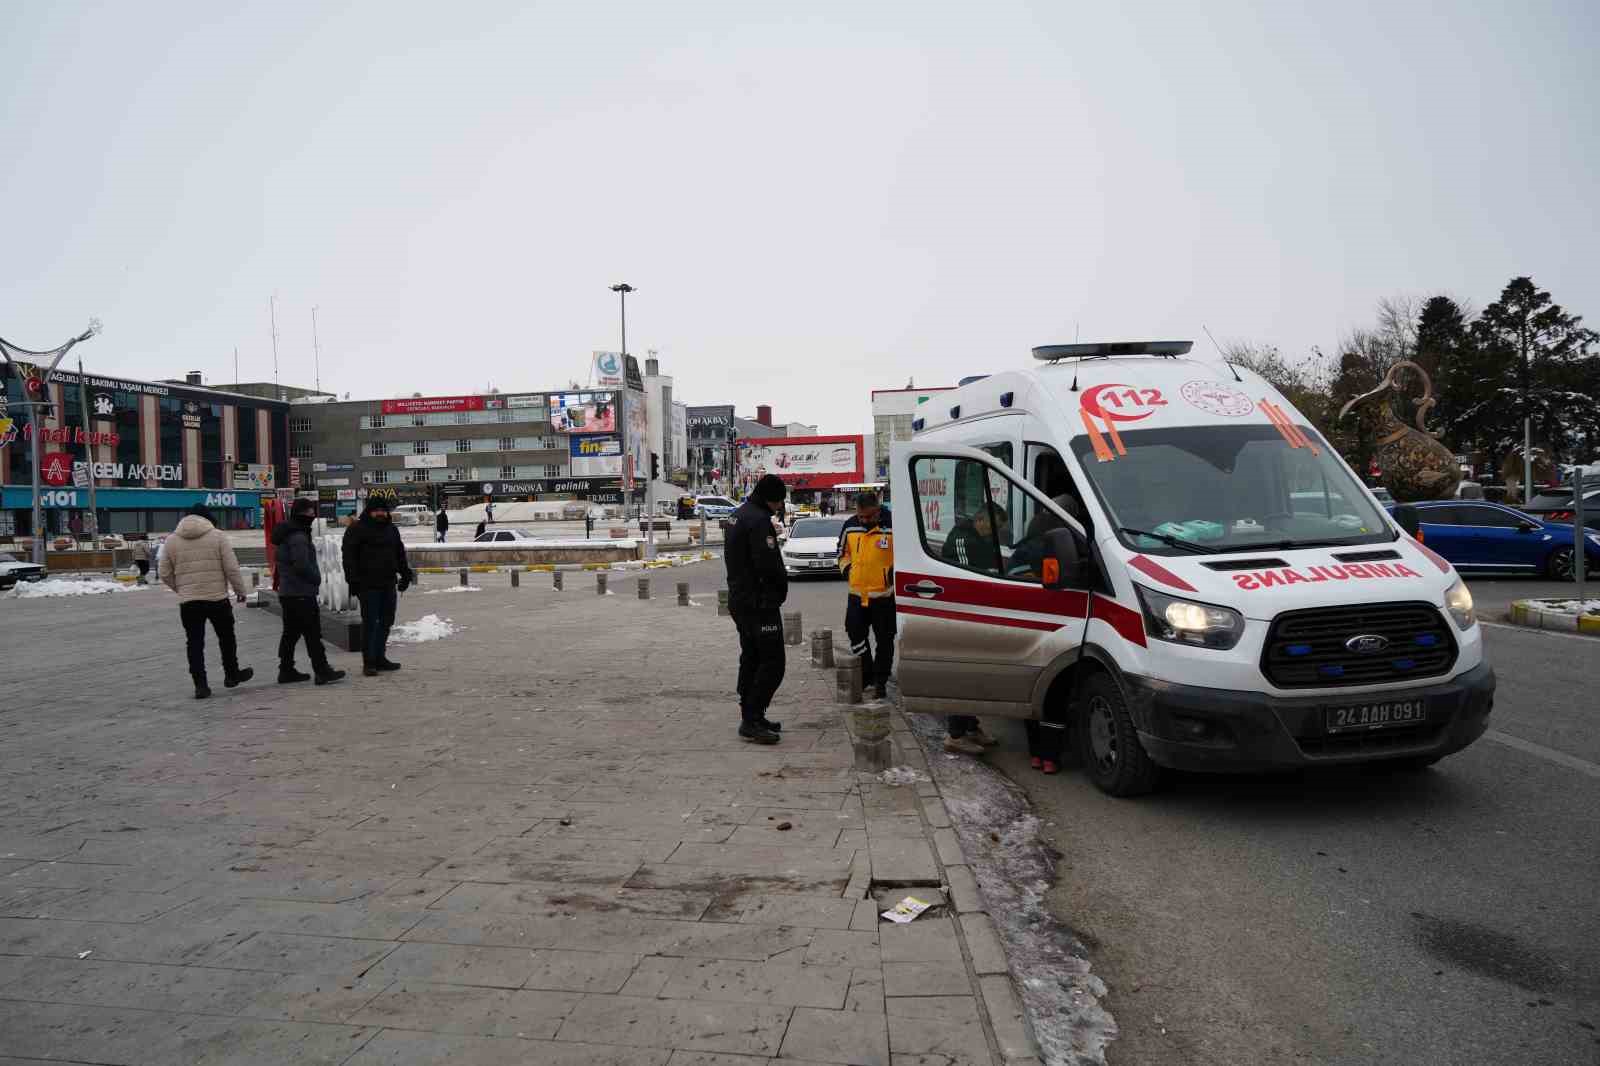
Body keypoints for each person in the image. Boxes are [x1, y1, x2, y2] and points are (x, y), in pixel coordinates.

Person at [158, 505, 254, 699]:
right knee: (226, 638)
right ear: (208, 517)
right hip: (217, 599)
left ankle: (200, 685)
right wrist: (240, 591)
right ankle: (231, 675)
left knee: (194, 643)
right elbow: (231, 568)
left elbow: (164, 573)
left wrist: (182, 589)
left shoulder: (171, 540)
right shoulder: (218, 536)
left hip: (190, 602)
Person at [724, 474, 789, 745]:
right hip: (759, 604)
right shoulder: (758, 521)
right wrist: (778, 591)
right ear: (769, 498)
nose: (780, 506)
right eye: (779, 501)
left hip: (741, 600)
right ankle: (751, 720)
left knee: (752, 657)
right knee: (773, 662)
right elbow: (767, 565)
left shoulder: (738, 515)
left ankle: (752, 714)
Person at [939, 503, 1008, 755]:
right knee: (962, 677)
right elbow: (969, 578)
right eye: (993, 527)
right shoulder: (962, 539)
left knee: (973, 676)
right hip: (961, 615)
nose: (994, 533)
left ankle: (970, 727)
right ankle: (955, 735)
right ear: (981, 521)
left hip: (973, 614)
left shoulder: (980, 539)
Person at [271, 498, 347, 686]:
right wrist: (316, 578)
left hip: (288, 592)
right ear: (302, 514)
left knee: (291, 633)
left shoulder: (287, 533)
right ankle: (322, 670)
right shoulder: (298, 536)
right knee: (312, 633)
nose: (313, 516)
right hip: (301, 593)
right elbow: (301, 565)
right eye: (310, 512)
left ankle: (286, 670)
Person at [342, 498, 414, 677]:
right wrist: (353, 581)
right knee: (370, 623)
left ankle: (380, 657)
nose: (380, 513)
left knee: (386, 621)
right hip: (367, 585)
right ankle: (369, 662)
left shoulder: (392, 529)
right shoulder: (356, 529)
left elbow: (399, 554)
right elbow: (348, 558)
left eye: (383, 510)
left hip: (388, 583)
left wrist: (406, 575)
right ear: (369, 511)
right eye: (376, 510)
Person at [838, 491, 896, 701]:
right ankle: (867, 673)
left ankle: (880, 681)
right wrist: (848, 570)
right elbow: (842, 553)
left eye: (868, 516)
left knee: (885, 641)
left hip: (884, 596)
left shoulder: (893, 526)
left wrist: (892, 574)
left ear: (878, 510)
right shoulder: (850, 526)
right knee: (855, 634)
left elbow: (905, 554)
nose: (863, 520)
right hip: (857, 595)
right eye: (860, 516)